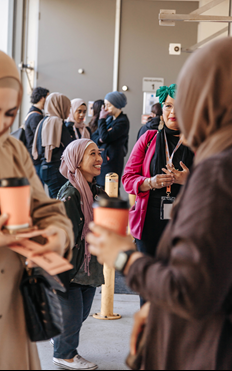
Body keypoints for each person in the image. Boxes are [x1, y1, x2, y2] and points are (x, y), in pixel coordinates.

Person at [87, 37, 232, 370]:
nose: (179, 111)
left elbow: (189, 292)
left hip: (211, 351)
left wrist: (121, 255)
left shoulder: (220, 171)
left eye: (189, 97)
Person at [0, 51, 74, 370]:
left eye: (8, 113)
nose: (1, 124)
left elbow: (46, 208)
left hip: (10, 311)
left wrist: (57, 234)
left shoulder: (13, 149)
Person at [123, 84, 194, 258]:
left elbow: (213, 185)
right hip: (149, 219)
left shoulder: (197, 143)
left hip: (187, 219)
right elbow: (127, 179)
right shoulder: (148, 138)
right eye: (168, 106)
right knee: (148, 276)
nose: (173, 112)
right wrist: (149, 182)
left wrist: (189, 179)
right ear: (162, 108)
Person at [53, 139, 105, 371]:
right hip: (70, 268)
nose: (99, 158)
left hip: (89, 266)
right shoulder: (70, 195)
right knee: (72, 316)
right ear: (76, 161)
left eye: (99, 153)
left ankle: (61, 339)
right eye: (92, 154)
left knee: (81, 314)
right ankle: (65, 354)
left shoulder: (97, 190)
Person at [32, 92, 73, 198]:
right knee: (60, 203)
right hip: (56, 169)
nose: (69, 111)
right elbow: (69, 146)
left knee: (54, 200)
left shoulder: (43, 121)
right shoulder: (57, 122)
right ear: (60, 106)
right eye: (67, 107)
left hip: (44, 167)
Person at [93, 91, 130, 191]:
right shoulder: (110, 120)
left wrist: (101, 119)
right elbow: (94, 136)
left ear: (117, 105)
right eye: (105, 105)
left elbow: (105, 137)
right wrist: (101, 139)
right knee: (99, 190)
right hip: (103, 161)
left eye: (109, 105)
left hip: (111, 163)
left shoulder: (122, 122)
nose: (105, 108)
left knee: (110, 191)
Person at [25, 87, 49, 181]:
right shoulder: (36, 116)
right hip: (36, 159)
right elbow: (40, 138)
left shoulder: (31, 113)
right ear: (42, 98)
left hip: (33, 158)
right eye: (47, 97)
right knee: (37, 189)